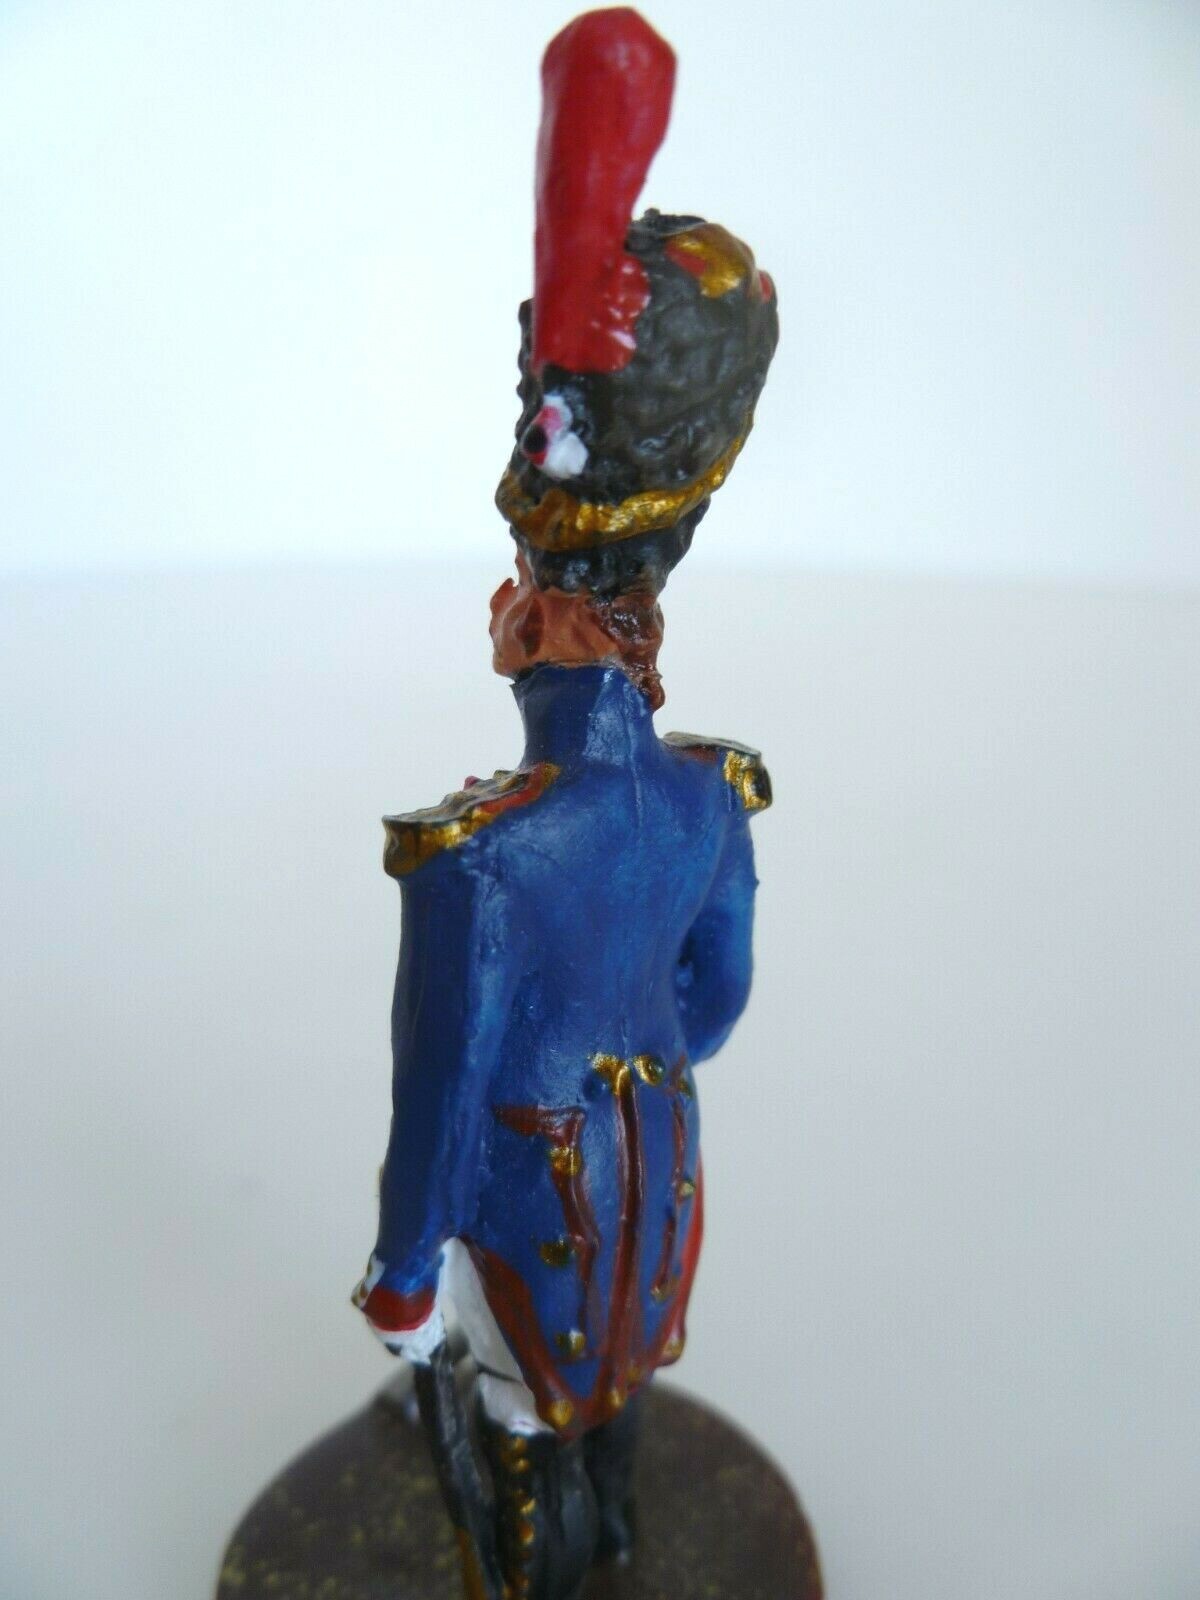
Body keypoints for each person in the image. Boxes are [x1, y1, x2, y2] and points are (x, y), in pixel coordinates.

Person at [353, 11, 779, 1597]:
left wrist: (405, 1279)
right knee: (616, 1412)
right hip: (652, 1179)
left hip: (531, 1212)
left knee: (519, 1438)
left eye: (513, 588)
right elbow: (714, 1005)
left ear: (538, 617)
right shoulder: (711, 798)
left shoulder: (476, 860)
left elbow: (441, 1095)